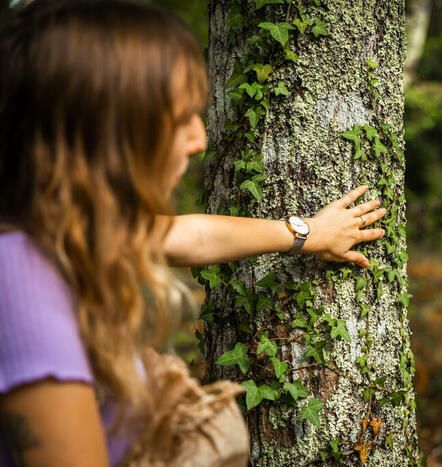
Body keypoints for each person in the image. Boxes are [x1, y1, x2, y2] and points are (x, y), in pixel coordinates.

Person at [0, 0, 387, 465]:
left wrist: (306, 232)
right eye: (180, 117)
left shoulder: (61, 232)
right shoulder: (21, 279)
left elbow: (193, 236)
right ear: (109, 132)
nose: (199, 140)